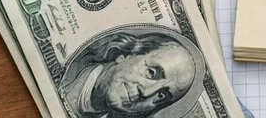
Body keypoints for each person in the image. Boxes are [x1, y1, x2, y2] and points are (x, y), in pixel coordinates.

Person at [62, 28, 201, 118]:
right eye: (151, 72)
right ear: (126, 53)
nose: (146, 93)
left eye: (162, 95)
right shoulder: (64, 78)